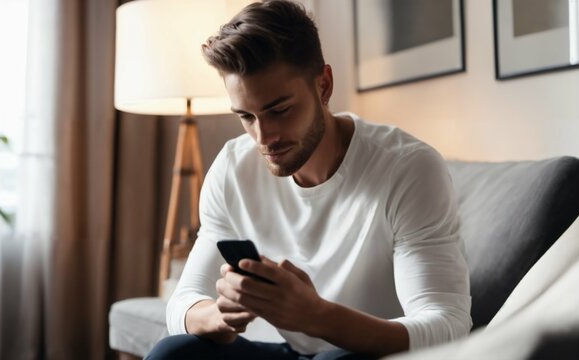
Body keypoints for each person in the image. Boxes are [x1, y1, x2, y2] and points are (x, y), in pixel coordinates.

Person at [146, 1, 471, 359]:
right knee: (172, 352)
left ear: (324, 85)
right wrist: (221, 315)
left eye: (279, 110)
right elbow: (181, 304)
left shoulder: (408, 168)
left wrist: (317, 316)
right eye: (246, 116)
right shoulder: (233, 168)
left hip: (369, 352)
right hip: (284, 351)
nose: (263, 137)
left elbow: (447, 329)